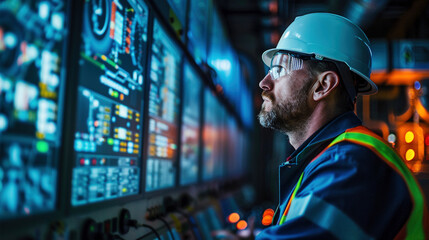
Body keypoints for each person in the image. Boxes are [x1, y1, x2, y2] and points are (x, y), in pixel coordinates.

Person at [254, 12, 429, 239]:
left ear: (323, 86)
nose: (264, 83)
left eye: (278, 70)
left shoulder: (350, 163)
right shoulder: (329, 160)